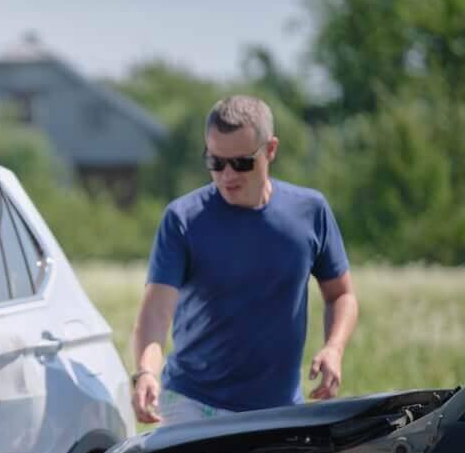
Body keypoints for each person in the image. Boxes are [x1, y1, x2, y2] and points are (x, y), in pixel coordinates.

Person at [131, 95, 359, 426]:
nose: (226, 175)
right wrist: (146, 372)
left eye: (240, 163)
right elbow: (155, 311)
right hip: (192, 402)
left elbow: (341, 295)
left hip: (279, 407)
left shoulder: (310, 211)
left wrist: (334, 349)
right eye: (215, 162)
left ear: (270, 150)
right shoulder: (182, 219)